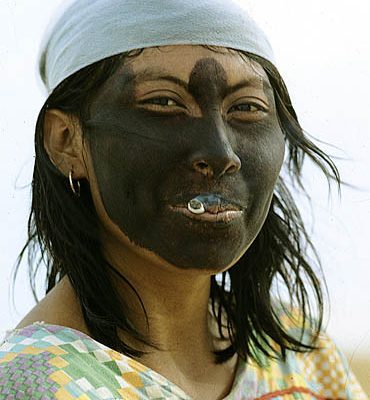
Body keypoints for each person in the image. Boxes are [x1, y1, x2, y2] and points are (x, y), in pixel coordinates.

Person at [0, 0, 367, 399]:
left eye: (246, 108)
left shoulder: (303, 354)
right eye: (164, 103)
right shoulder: (35, 383)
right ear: (66, 141)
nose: (222, 154)